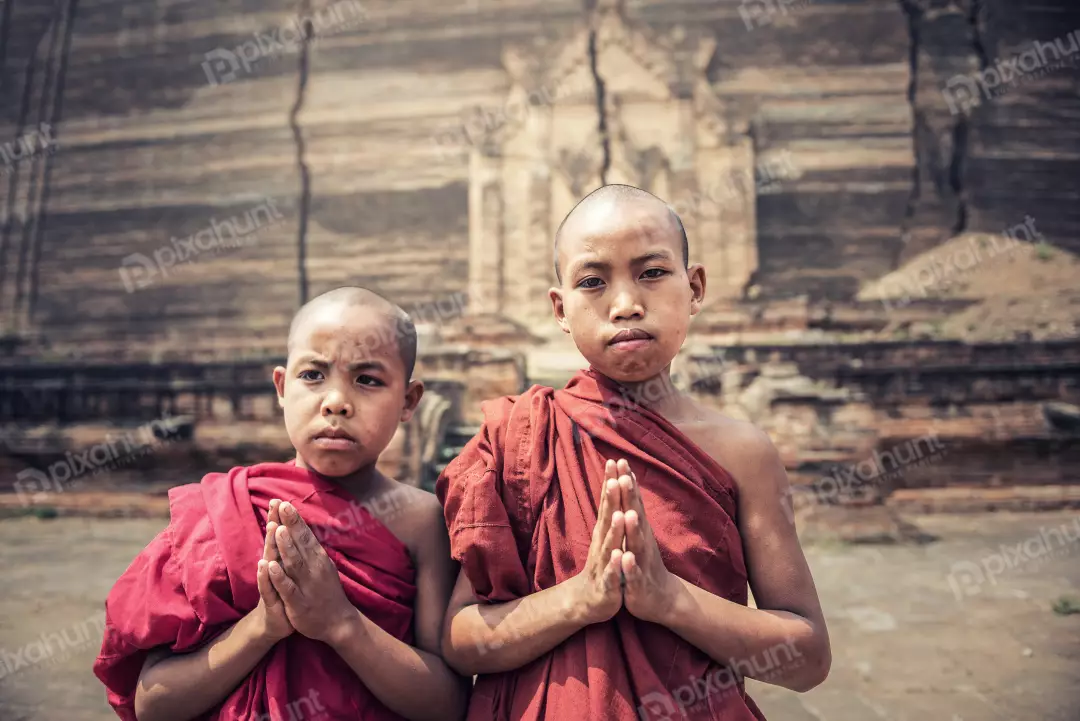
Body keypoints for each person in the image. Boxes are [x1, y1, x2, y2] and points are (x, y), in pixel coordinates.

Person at [436, 185, 831, 720]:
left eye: (651, 273)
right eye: (592, 282)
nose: (625, 304)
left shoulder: (742, 453)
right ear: (560, 308)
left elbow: (806, 658)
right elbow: (461, 642)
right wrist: (581, 599)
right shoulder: (521, 438)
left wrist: (668, 599)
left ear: (694, 288)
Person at [94, 287, 469, 721]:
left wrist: (340, 622)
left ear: (408, 401)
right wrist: (263, 626)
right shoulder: (220, 512)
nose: (336, 402)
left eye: (368, 379)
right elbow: (153, 706)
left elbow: (447, 704)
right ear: (281, 387)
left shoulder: (423, 523)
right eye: (313, 375)